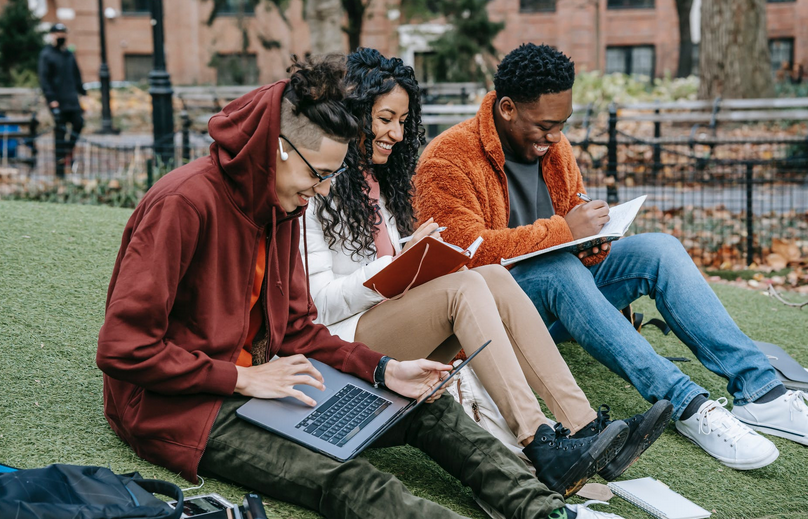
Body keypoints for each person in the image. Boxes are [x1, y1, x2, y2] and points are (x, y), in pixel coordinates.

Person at [95, 54, 623, 519]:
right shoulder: (182, 204)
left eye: (329, 178)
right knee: (344, 479)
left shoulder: (279, 204)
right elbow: (123, 348)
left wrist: (384, 369)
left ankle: (548, 512)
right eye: (318, 176)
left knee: (427, 404)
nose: (320, 192)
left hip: (276, 379)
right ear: (279, 150)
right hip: (188, 407)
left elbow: (300, 328)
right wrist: (239, 378)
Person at [414, 43, 808, 471]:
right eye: (545, 126)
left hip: (565, 291)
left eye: (562, 125)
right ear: (507, 108)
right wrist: (564, 232)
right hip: (499, 313)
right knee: (555, 268)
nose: (554, 138)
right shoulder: (447, 158)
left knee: (660, 249)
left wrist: (592, 238)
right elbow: (459, 257)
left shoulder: (554, 146)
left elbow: (572, 210)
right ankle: (689, 405)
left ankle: (761, 393)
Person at [302, 48, 671, 498]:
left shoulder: (383, 181)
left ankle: (582, 427)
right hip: (342, 344)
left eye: (402, 121)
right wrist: (399, 263)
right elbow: (317, 305)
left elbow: (387, 264)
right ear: (353, 112)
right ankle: (539, 441)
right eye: (384, 119)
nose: (396, 134)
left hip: (388, 319)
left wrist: (412, 255)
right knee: (464, 286)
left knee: (492, 277)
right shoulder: (311, 185)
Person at [38, 22, 86, 179]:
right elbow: (44, 80)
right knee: (59, 133)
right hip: (57, 101)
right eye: (58, 33)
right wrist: (51, 99)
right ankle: (60, 172)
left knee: (78, 123)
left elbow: (76, 76)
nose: (61, 36)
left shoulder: (69, 54)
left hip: (72, 99)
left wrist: (83, 93)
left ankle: (67, 152)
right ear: (52, 35)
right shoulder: (46, 54)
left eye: (63, 33)